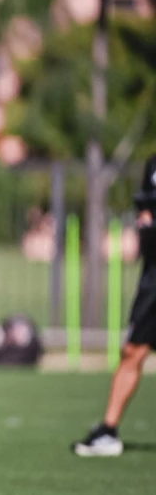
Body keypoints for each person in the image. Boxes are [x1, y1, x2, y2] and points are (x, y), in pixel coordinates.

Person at [74, 154, 156, 457]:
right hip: (153, 277)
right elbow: (145, 206)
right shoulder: (153, 164)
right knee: (133, 350)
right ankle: (108, 432)